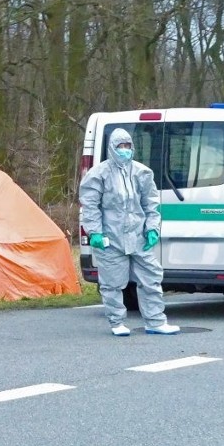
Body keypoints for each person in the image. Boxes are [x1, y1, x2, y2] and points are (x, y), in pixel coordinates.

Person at [79, 128, 180, 337]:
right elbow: (90, 206)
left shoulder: (142, 172)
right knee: (112, 283)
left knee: (151, 277)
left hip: (138, 237)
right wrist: (94, 232)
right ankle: (117, 322)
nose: (124, 150)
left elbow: (151, 204)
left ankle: (155, 321)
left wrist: (152, 228)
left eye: (127, 146)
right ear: (112, 148)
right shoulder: (98, 174)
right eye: (120, 146)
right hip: (111, 238)